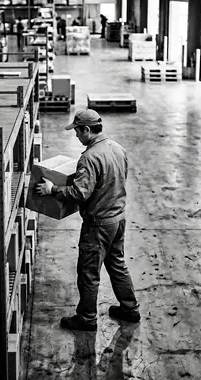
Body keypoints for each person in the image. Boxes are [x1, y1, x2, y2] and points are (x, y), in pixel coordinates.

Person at [36, 109, 140, 331]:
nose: (75, 135)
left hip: (99, 224)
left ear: (87, 130)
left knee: (88, 273)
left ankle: (87, 318)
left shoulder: (90, 157)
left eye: (77, 131)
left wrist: (52, 189)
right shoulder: (117, 148)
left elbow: (80, 193)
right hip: (118, 218)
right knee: (117, 264)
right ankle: (130, 309)